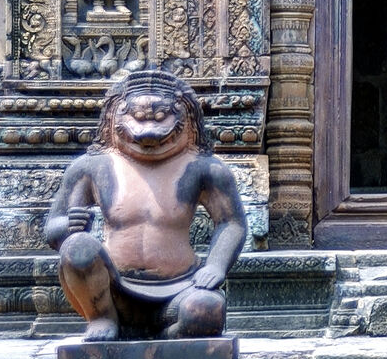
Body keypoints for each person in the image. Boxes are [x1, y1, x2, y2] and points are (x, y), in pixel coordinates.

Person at [43, 69, 246, 340]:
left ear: (187, 116)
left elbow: (231, 222)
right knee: (77, 247)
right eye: (137, 116)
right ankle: (103, 319)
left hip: (181, 288)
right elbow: (53, 231)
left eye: (161, 116)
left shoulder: (205, 168)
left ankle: (163, 338)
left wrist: (216, 266)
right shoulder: (91, 167)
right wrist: (68, 225)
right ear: (114, 115)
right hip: (111, 289)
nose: (148, 130)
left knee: (207, 309)